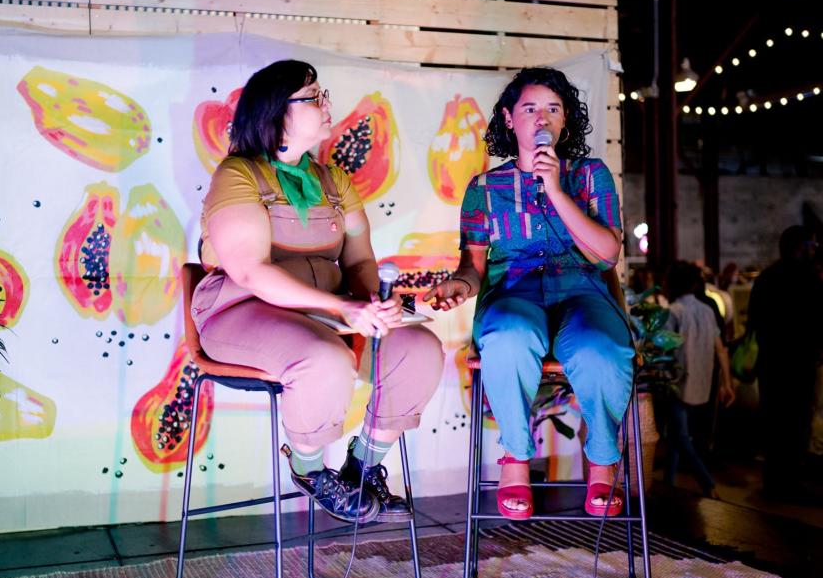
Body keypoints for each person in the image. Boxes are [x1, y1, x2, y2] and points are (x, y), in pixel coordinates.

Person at [192, 60, 444, 524]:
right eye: (314, 97)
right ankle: (308, 469)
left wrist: (375, 304)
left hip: (328, 315)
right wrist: (343, 307)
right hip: (241, 313)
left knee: (418, 347)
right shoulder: (238, 175)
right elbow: (248, 271)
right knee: (324, 358)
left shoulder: (334, 183)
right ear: (275, 113)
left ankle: (362, 467)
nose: (328, 105)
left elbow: (360, 261)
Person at [424, 67, 634, 519]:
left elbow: (608, 254)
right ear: (509, 118)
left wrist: (556, 189)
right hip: (514, 290)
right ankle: (515, 457)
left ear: (564, 123)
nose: (542, 118)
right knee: (509, 336)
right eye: (531, 108)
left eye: (553, 109)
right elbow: (473, 268)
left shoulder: (592, 175)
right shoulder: (484, 189)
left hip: (582, 292)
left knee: (602, 349)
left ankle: (602, 456)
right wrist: (457, 287)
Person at [747, 225, 822, 500]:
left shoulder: (766, 278)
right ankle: (790, 482)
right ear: (799, 247)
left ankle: (774, 480)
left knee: (775, 421)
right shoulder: (808, 278)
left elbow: (754, 319)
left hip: (770, 363)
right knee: (797, 422)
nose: (814, 250)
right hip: (799, 363)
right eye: (812, 245)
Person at [663, 261, 735, 498]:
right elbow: (721, 349)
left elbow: (664, 349)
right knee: (676, 435)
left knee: (681, 438)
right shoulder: (707, 310)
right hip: (703, 383)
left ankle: (708, 484)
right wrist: (727, 383)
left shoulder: (673, 311)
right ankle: (669, 484)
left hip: (677, 383)